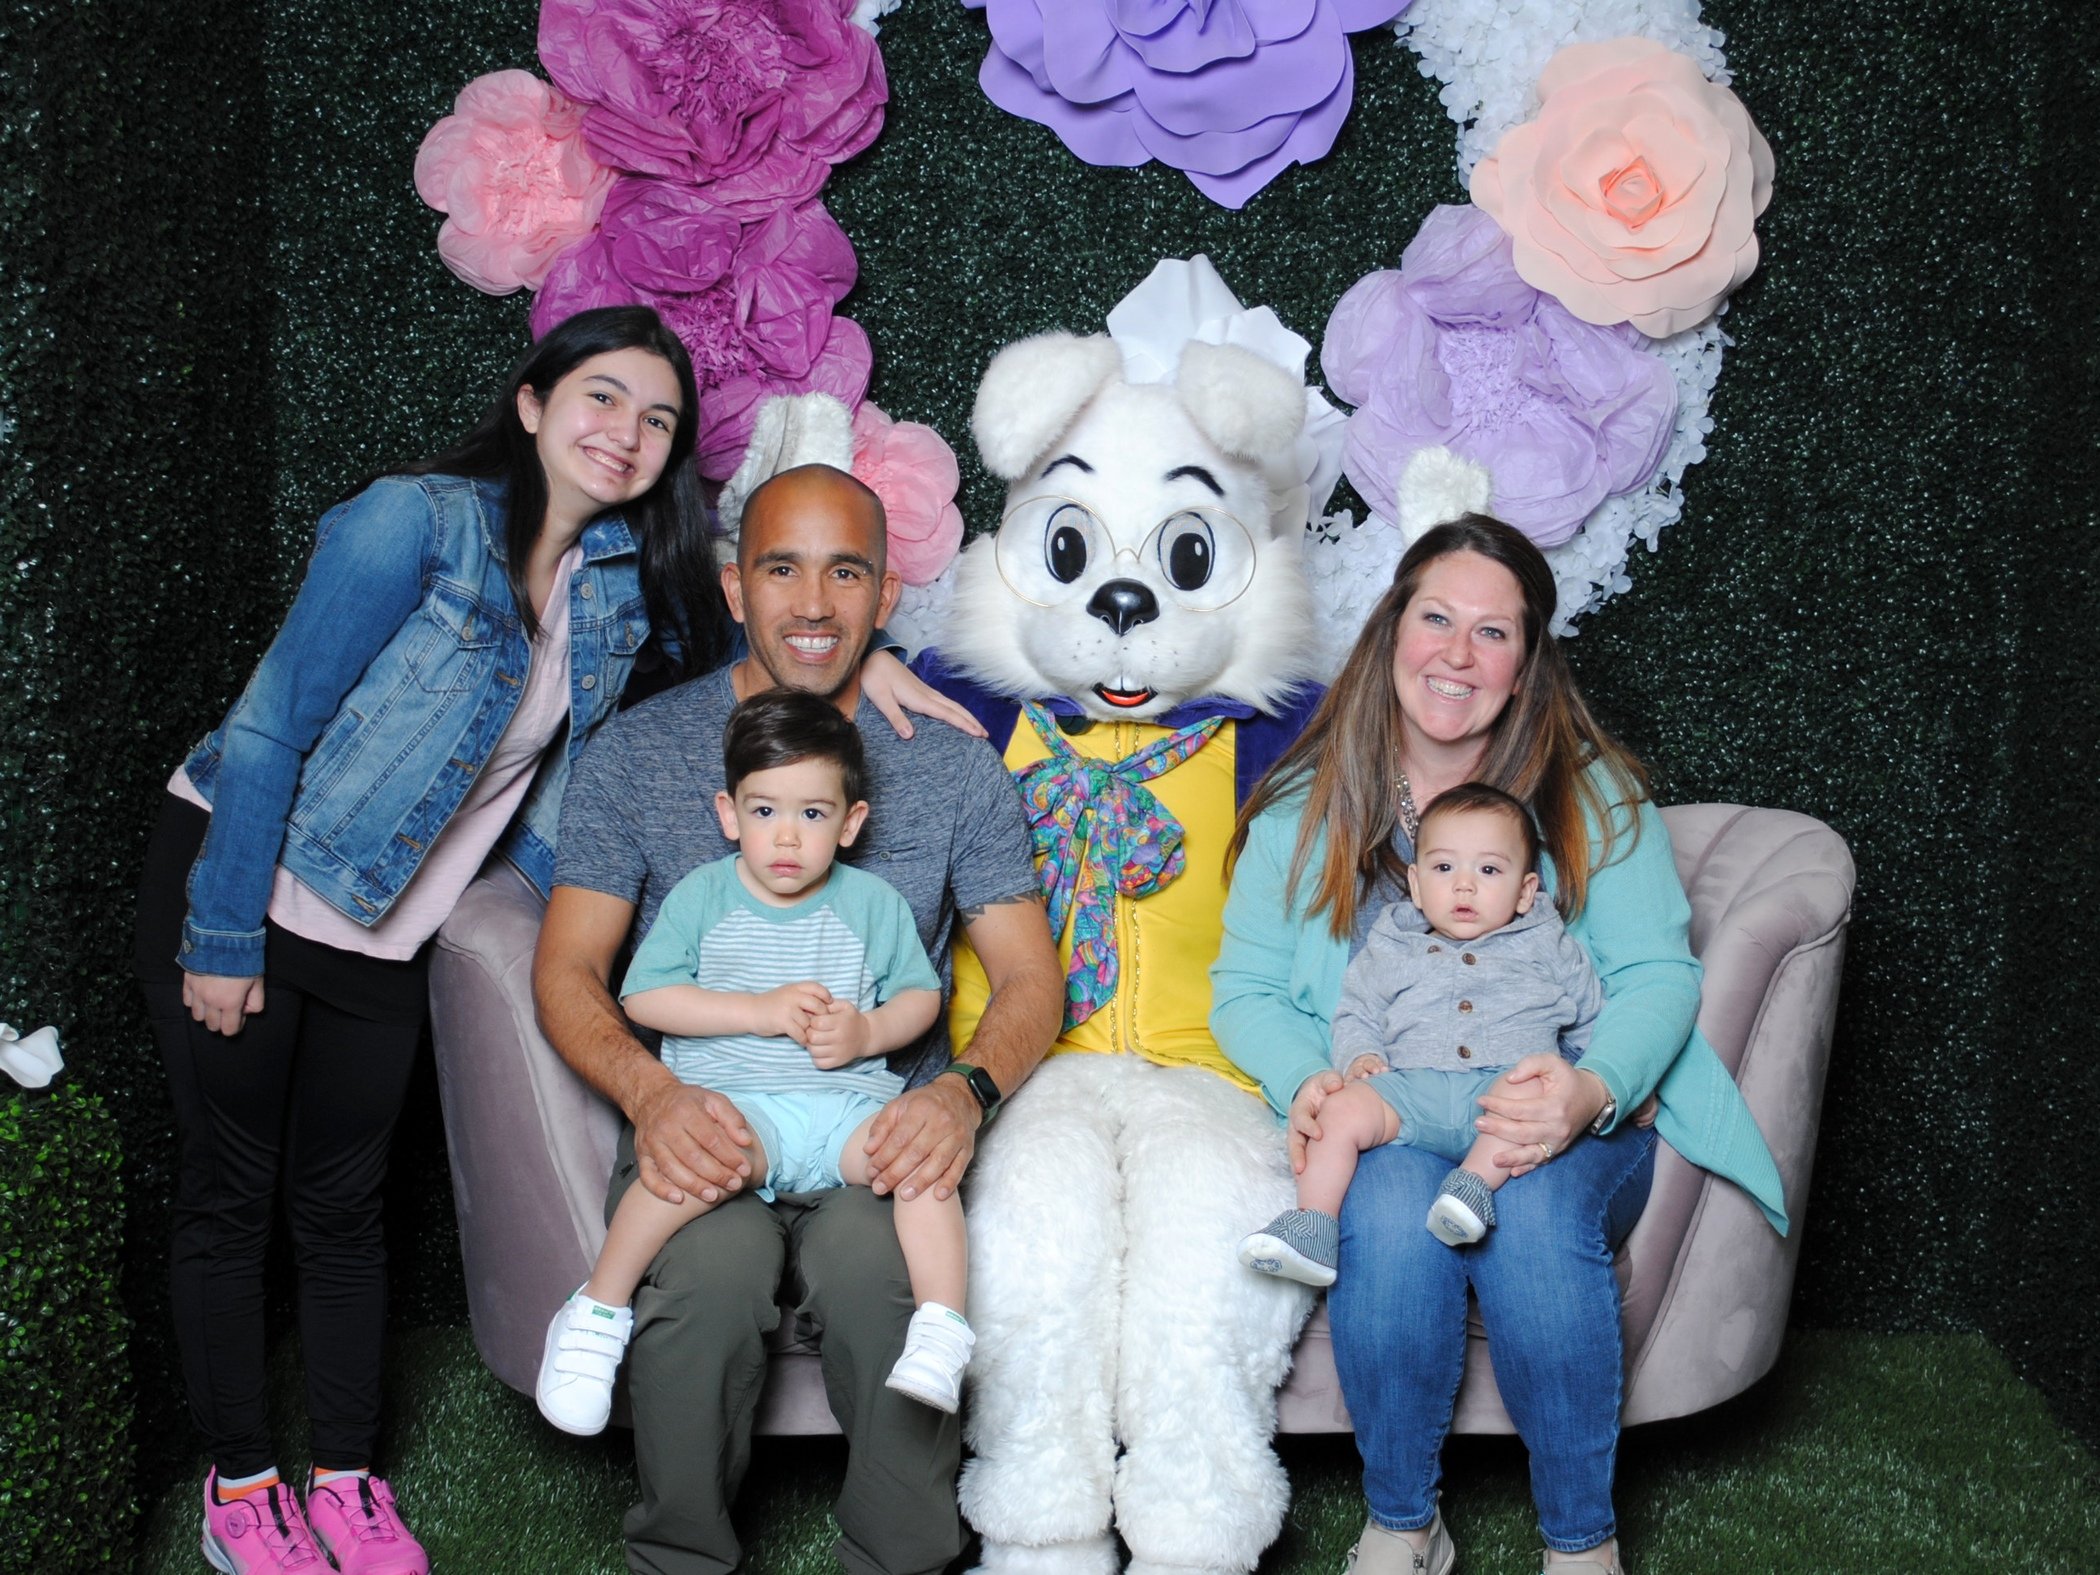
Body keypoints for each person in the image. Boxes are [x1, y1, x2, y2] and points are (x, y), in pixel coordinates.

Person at [131, 309, 968, 1575]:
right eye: (601, 398)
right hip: (251, 882)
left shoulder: (619, 582)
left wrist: (871, 670)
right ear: (531, 404)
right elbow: (265, 728)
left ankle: (348, 1482)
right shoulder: (407, 521)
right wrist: (222, 928)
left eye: (659, 420)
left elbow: (754, 656)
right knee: (231, 1198)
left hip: (384, 929)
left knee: (346, 1209)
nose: (626, 435)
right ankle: (244, 1486)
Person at [1212, 515, 1787, 1575]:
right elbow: (1244, 989)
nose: (1456, 655)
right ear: (1391, 633)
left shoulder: (1594, 794)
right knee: (1382, 1213)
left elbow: (1658, 977)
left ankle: (1581, 1540)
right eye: (1436, 619)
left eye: (1493, 633)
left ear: (1525, 668)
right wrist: (1313, 1078)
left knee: (1532, 1217)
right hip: (1398, 1106)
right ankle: (1402, 1523)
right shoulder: (1306, 807)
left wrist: (1589, 1091)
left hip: (1565, 1106)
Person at [534, 462, 1064, 1575]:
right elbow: (571, 968)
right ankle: (680, 1557)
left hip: (870, 1132)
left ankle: (906, 1556)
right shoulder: (640, 754)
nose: (815, 603)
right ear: (736, 590)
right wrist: (652, 1095)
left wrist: (962, 1097)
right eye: (783, 568)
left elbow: (1027, 979)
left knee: (890, 1284)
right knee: (711, 1284)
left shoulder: (954, 768)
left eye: (847, 572)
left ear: (884, 598)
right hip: (705, 1114)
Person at [535, 690, 975, 1438]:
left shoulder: (871, 903)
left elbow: (920, 998)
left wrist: (867, 1031)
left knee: (922, 1169)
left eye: (812, 814)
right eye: (764, 811)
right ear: (729, 813)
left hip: (846, 1111)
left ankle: (942, 1330)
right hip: (743, 1108)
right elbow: (644, 995)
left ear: (850, 823)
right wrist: (758, 1010)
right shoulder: (703, 896)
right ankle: (594, 1313)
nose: (787, 837)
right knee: (688, 1167)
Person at [1238, 782, 1605, 1288]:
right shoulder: (1394, 944)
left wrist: (1596, 1078)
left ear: (1525, 891)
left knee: (1539, 1084)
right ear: (1415, 883)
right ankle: (1312, 1227)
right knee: (1339, 1109)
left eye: (1490, 870)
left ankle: (1470, 1190)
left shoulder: (1549, 943)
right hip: (1414, 1091)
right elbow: (1358, 1011)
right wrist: (1360, 1055)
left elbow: (1588, 1014)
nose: (1464, 887)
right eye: (1444, 868)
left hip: (1502, 1097)